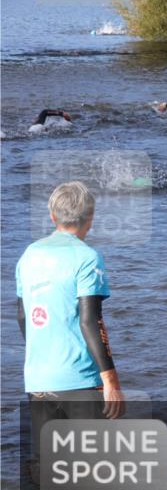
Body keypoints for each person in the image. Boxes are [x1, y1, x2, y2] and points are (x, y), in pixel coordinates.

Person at [16, 182, 125, 470]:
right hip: (80, 379)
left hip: (38, 379)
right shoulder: (88, 258)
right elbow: (91, 321)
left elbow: (23, 316)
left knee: (49, 469)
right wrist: (111, 381)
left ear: (52, 216)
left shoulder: (29, 255)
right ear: (91, 217)